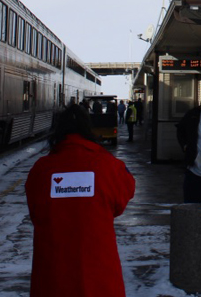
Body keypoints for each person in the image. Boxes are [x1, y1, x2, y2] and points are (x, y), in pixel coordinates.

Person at [25, 104, 135, 297]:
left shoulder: (41, 170)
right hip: (98, 271)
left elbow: (35, 211)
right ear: (88, 129)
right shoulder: (109, 165)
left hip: (53, 271)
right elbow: (122, 198)